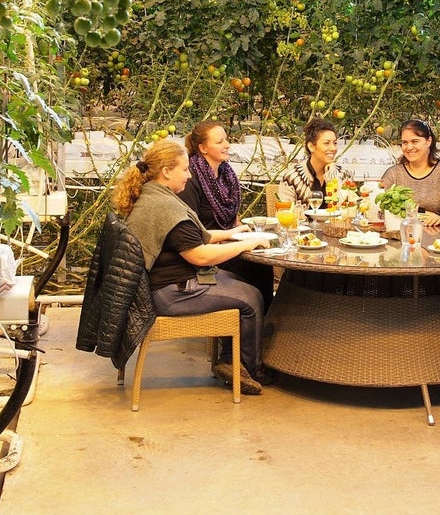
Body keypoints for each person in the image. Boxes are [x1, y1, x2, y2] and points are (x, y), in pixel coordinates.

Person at [112, 138, 274, 395]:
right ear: (166, 171)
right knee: (252, 297)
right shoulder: (165, 206)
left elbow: (194, 236)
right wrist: (246, 244)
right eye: (185, 169)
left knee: (243, 281)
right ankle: (250, 369)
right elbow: (199, 256)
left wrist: (234, 233)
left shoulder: (152, 195)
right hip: (169, 293)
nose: (189, 176)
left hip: (162, 284)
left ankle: (231, 360)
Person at [178, 121, 275, 312]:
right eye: (220, 141)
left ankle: (264, 322)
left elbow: (232, 215)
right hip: (206, 251)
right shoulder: (190, 180)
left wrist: (244, 233)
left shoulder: (225, 174)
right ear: (203, 148)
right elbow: (192, 230)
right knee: (255, 268)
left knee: (262, 259)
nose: (227, 145)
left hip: (228, 240)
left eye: (226, 139)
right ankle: (247, 324)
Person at [380, 119, 440, 227]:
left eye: (415, 141)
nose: (409, 147)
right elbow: (382, 209)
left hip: (438, 237)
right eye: (405, 142)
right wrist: (421, 212)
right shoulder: (393, 174)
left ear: (428, 141)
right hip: (401, 235)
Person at [278, 117, 352, 205]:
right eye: (327, 143)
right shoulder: (292, 178)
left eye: (335, 143)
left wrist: (333, 177)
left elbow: (349, 211)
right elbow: (284, 212)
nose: (333, 148)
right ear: (311, 147)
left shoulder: (343, 175)